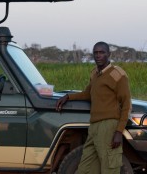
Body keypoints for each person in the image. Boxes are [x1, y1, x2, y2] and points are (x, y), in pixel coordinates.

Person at [56, 41, 132, 174]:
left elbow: (126, 104)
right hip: (94, 127)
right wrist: (68, 97)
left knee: (109, 168)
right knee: (85, 168)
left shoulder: (117, 74)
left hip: (109, 126)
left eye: (102, 52)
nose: (98, 56)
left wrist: (119, 132)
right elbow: (87, 94)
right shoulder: (95, 74)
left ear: (109, 54)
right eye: (95, 53)